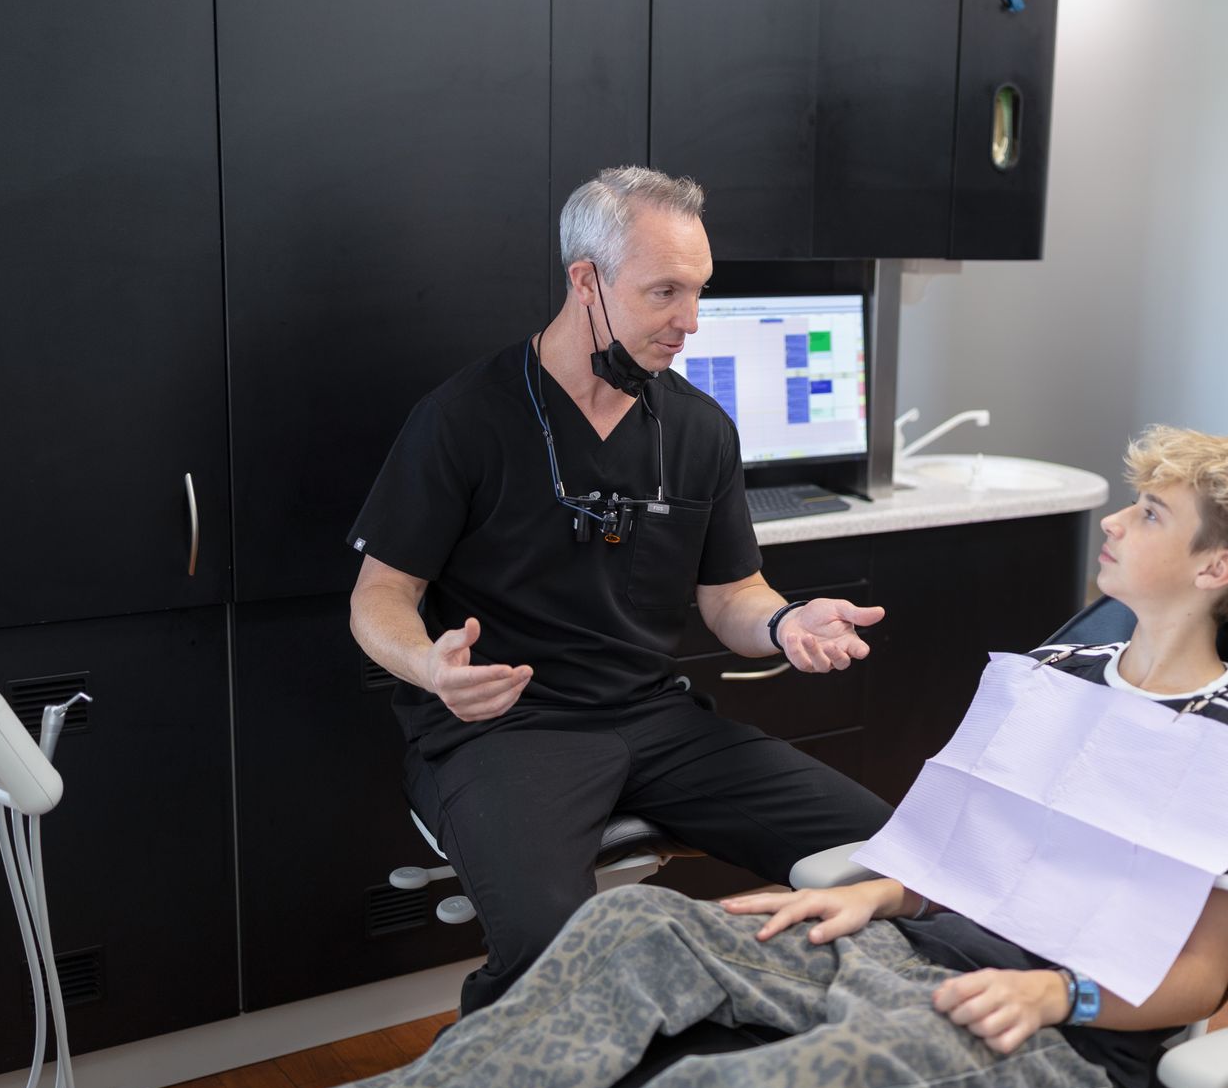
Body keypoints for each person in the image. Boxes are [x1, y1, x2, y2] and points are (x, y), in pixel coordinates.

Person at [83, 427, 1228, 1088]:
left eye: (1149, 514)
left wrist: (1063, 992)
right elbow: (970, 852)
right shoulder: (1063, 677)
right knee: (627, 934)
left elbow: (1200, 978)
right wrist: (878, 887)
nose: (1115, 520)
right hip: (906, 947)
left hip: (1038, 1023)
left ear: (1217, 567)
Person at [345, 166, 892, 1015]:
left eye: (700, 292)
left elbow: (730, 594)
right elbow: (378, 595)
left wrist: (784, 624)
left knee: (895, 857)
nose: (690, 324)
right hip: (506, 730)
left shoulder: (700, 428)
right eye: (665, 292)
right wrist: (431, 669)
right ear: (586, 281)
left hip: (654, 719)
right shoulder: (466, 418)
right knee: (551, 956)